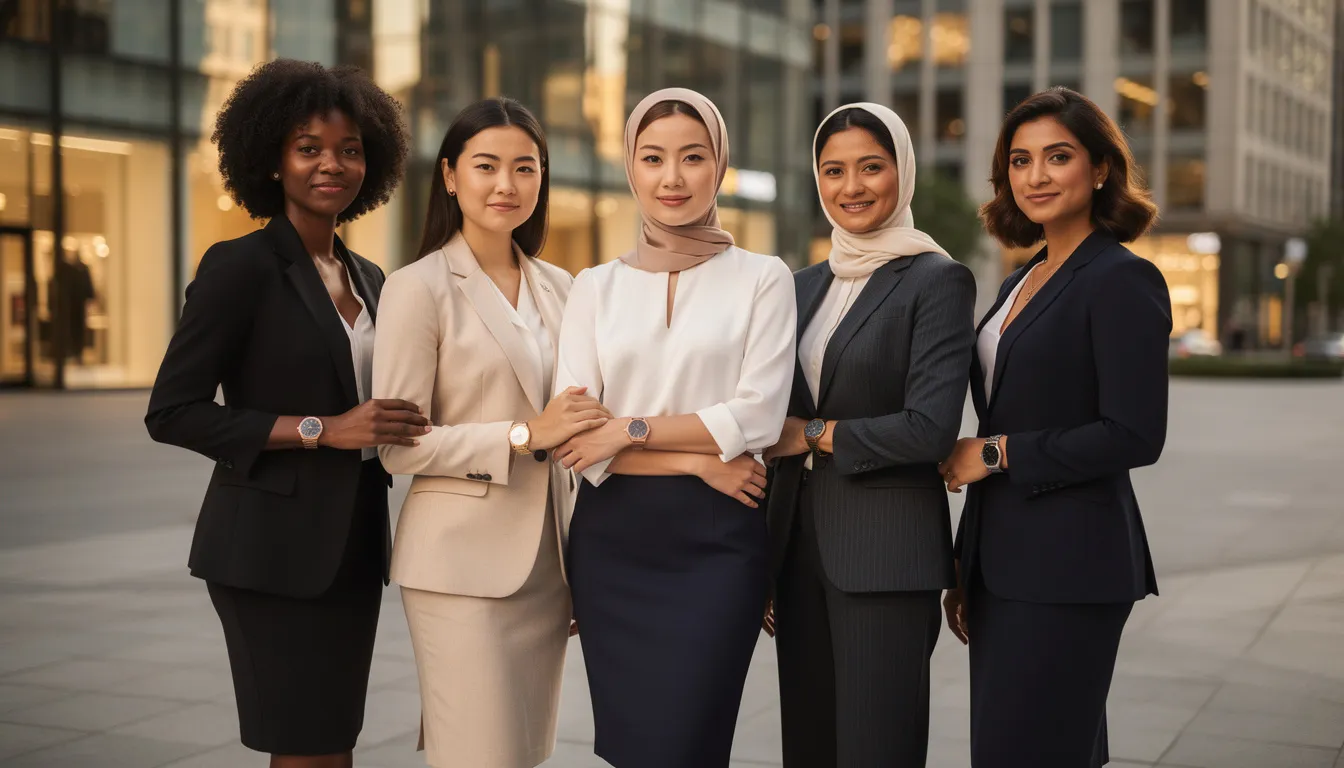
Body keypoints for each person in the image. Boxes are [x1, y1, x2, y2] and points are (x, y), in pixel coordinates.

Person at [144, 59, 415, 767]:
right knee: (301, 744)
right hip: (269, 552)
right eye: (310, 148)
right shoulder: (239, 267)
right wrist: (322, 430)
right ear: (271, 158)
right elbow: (173, 411)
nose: (333, 164)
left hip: (353, 546)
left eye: (351, 149)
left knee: (334, 741)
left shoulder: (371, 278)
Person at [552, 88, 796, 768]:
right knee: (634, 748)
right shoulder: (593, 287)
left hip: (718, 546)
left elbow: (760, 415)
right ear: (630, 166)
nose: (673, 177)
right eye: (653, 157)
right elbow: (576, 439)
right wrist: (696, 458)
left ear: (719, 165)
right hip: (613, 542)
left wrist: (628, 428)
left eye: (694, 157)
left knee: (690, 742)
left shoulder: (762, 278)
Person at [372, 98, 607, 768]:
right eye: (486, 166)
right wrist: (521, 434)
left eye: (525, 168)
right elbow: (398, 446)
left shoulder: (564, 288)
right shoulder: (417, 289)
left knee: (524, 754)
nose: (506, 184)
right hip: (459, 570)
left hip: (549, 567)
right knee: (477, 756)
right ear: (450, 176)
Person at [939, 87, 1169, 767]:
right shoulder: (1021, 280)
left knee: (1034, 750)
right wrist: (966, 566)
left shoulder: (1123, 279)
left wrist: (997, 451)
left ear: (1100, 168)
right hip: (1003, 565)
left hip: (1071, 565)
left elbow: (1134, 434)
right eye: (1020, 159)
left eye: (1057, 156)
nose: (1035, 175)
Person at [762, 103, 976, 767]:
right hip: (797, 554)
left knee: (877, 748)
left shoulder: (937, 281)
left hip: (886, 557)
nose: (850, 186)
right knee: (810, 745)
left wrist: (816, 433)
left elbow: (931, 427)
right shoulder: (797, 288)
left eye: (870, 167)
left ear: (902, 173)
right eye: (833, 170)